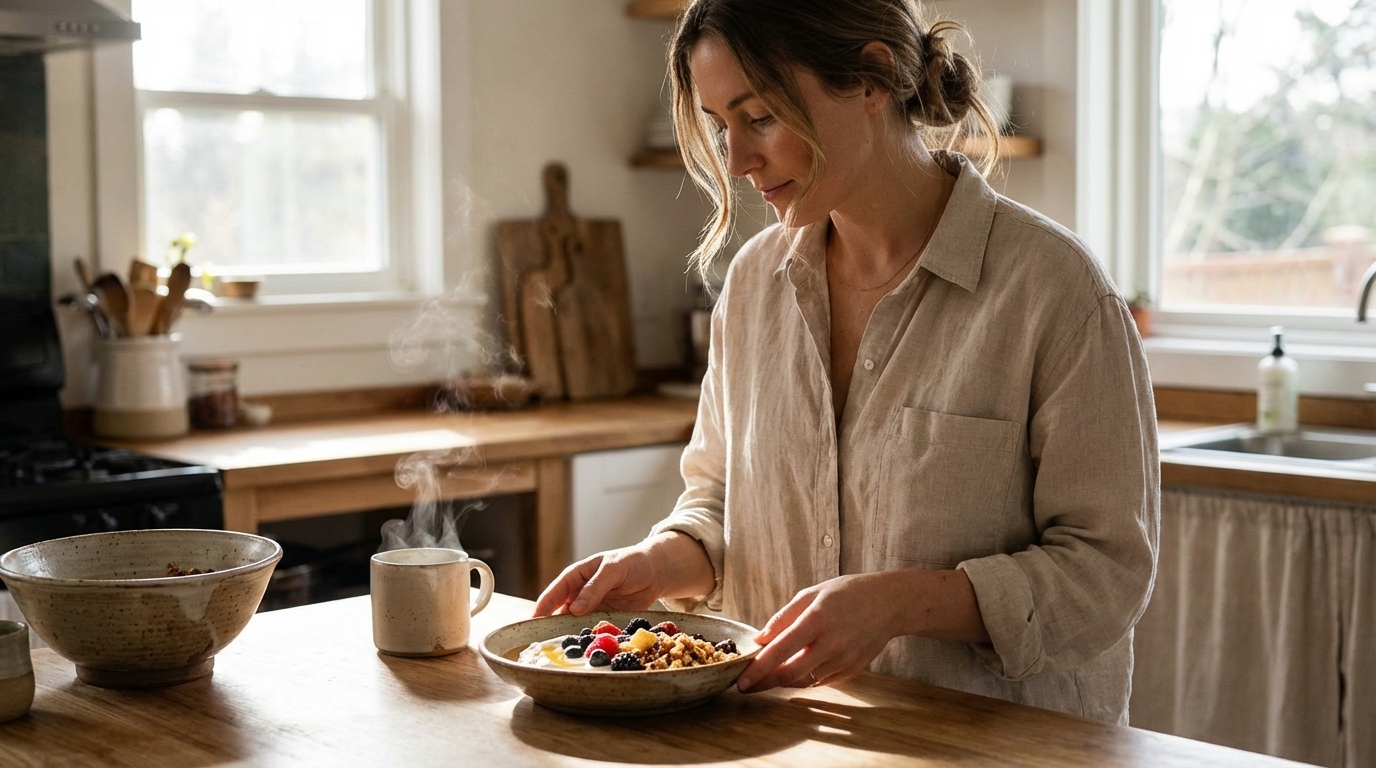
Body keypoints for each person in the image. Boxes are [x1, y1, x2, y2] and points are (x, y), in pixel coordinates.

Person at [534, 0, 1158, 724]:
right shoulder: (753, 284)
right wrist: (660, 559)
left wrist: (899, 603)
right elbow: (719, 500)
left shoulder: (1055, 291)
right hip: (792, 736)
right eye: (719, 127)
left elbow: (1107, 575)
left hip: (994, 746)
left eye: (759, 117)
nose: (735, 162)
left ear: (871, 78)